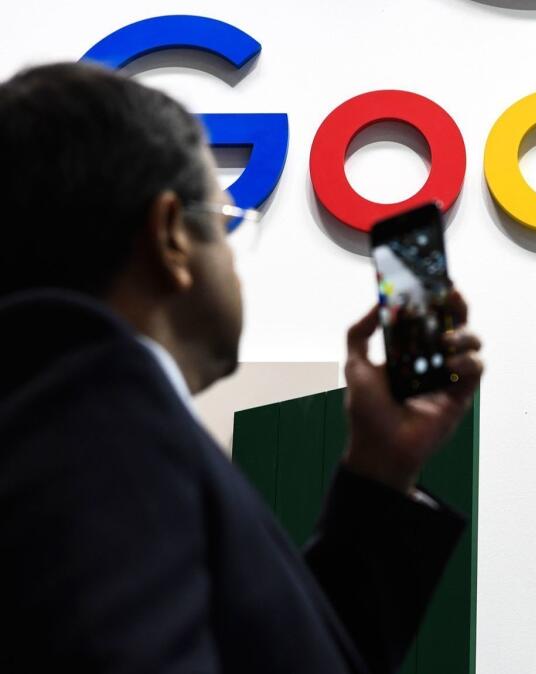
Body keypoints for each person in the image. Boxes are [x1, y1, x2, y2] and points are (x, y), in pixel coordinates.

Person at [0, 62, 484, 673]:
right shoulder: (97, 429)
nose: (233, 261)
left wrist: (382, 470)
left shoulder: (54, 418)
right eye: (227, 223)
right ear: (171, 235)